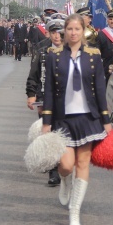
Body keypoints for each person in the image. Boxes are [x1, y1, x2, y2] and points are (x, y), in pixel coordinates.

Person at [41, 14, 113, 225]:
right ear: (64, 31)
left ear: (83, 31)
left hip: (87, 117)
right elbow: (50, 91)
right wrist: (46, 121)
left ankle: (75, 211)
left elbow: (100, 89)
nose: (73, 33)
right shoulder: (54, 56)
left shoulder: (93, 55)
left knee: (83, 163)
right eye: (69, 29)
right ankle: (64, 180)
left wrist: (106, 120)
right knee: (66, 164)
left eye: (77, 29)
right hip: (63, 119)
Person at [26, 18, 64, 186]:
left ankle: (65, 165)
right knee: (49, 133)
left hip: (67, 99)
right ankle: (53, 170)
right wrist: (31, 94)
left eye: (59, 32)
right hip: (45, 97)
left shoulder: (72, 50)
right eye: (53, 32)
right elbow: (33, 74)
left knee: (65, 133)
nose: (57, 36)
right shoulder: (42, 51)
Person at [94, 10, 113, 80]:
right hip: (106, 66)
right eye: (110, 19)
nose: (112, 21)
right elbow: (97, 50)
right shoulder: (101, 34)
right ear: (107, 20)